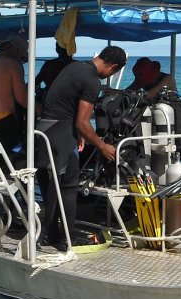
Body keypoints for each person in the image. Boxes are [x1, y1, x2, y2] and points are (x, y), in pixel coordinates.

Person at [37, 44, 127, 249]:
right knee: (68, 188)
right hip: (60, 134)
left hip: (44, 131)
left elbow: (66, 106)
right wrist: (102, 146)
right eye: (114, 71)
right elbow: (82, 122)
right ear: (112, 66)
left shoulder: (75, 67)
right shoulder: (92, 81)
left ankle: (50, 235)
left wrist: (80, 136)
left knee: (51, 187)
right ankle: (69, 240)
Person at [0, 32, 29, 161]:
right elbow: (23, 100)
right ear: (17, 50)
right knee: (24, 154)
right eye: (22, 56)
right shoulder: (13, 64)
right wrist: (40, 107)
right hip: (1, 125)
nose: (21, 59)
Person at [34, 42, 75, 112]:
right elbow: (36, 82)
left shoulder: (76, 65)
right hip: (52, 103)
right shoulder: (50, 64)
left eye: (65, 49)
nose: (64, 51)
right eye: (62, 48)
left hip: (67, 104)